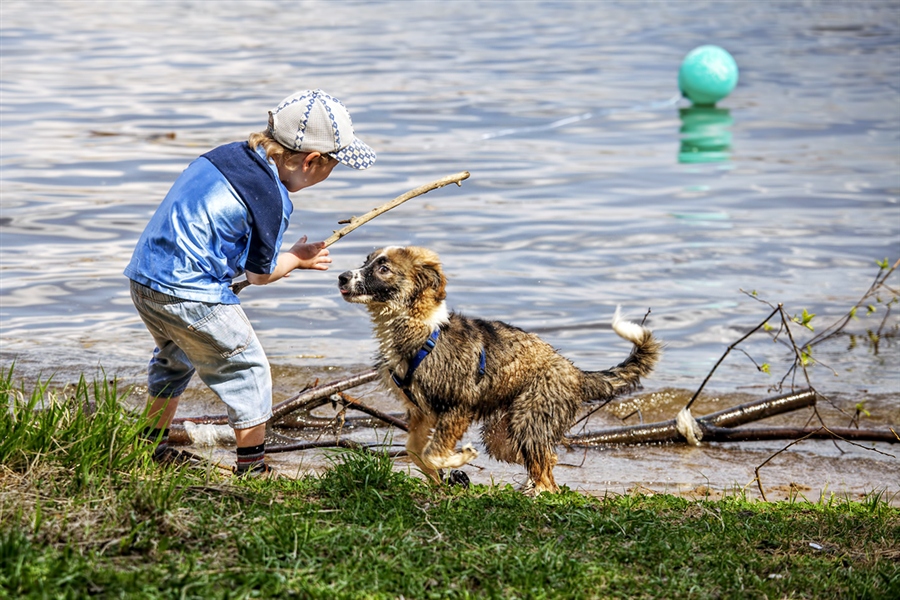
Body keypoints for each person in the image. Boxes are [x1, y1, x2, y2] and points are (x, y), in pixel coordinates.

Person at [124, 89, 376, 477]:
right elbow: (260, 275)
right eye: (334, 165)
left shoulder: (224, 155)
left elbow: (212, 229)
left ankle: (150, 447)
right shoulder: (272, 199)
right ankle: (253, 468)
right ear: (312, 161)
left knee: (175, 359)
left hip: (145, 277)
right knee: (250, 368)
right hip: (192, 291)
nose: (331, 173)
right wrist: (298, 259)